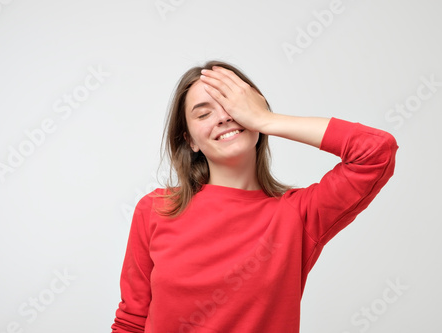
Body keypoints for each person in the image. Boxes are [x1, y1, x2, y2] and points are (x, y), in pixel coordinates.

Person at [111, 60, 398, 332]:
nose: (223, 117)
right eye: (203, 113)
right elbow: (131, 323)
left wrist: (266, 120)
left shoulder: (299, 215)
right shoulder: (155, 209)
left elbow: (376, 152)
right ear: (190, 141)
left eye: (233, 106)